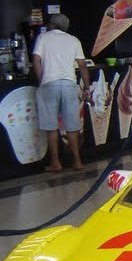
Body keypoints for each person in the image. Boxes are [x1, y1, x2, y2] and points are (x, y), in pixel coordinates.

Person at [33, 13, 90, 172]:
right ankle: (77, 162)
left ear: (51, 24)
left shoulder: (43, 38)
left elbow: (36, 60)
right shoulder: (74, 40)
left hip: (49, 84)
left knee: (51, 126)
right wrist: (87, 86)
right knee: (72, 126)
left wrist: (40, 80)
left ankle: (56, 163)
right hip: (69, 85)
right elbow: (83, 65)